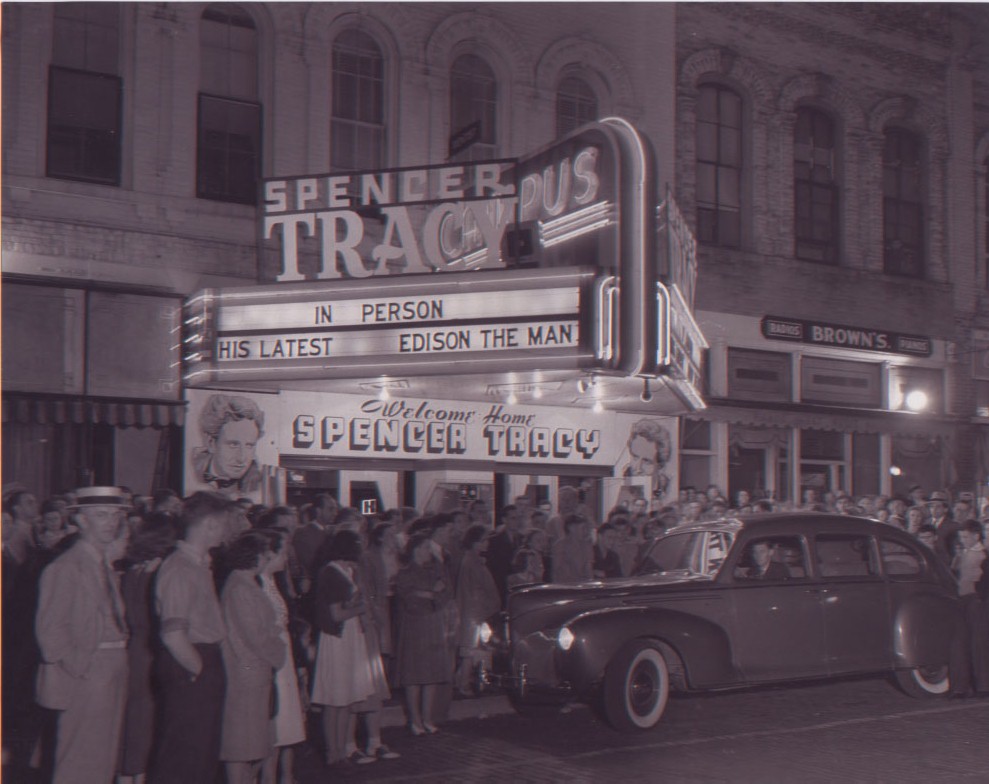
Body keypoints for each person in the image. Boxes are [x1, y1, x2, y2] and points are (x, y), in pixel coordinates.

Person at [35, 486, 131, 784]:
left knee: (104, 757)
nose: (110, 522)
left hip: (115, 663)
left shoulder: (102, 563)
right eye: (101, 515)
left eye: (115, 515)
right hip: (89, 670)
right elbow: (50, 633)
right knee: (79, 758)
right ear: (80, 521)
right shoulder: (66, 567)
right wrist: (83, 668)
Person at [151, 491, 238, 784]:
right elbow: (173, 634)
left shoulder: (198, 565)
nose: (228, 530)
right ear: (211, 524)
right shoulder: (180, 568)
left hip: (200, 660)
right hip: (192, 663)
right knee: (185, 754)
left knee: (202, 754)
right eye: (226, 523)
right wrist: (199, 670)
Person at [311, 531, 391, 768]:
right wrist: (361, 608)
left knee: (345, 698)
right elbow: (336, 614)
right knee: (335, 698)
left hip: (350, 636)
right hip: (337, 639)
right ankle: (332, 751)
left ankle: (341, 752)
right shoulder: (331, 573)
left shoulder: (347, 571)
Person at [218, 530, 286, 784]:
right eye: (265, 555)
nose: (267, 560)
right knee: (240, 745)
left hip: (251, 672)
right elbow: (255, 635)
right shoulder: (240, 588)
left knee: (249, 742)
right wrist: (278, 651)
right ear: (255, 557)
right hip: (246, 672)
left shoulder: (244, 584)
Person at [118, 514, 177, 784]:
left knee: (130, 726)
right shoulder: (161, 573)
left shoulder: (132, 571)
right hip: (152, 654)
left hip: (132, 654)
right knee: (147, 727)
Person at [257, 530, 307, 784]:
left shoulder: (276, 582)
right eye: (283, 551)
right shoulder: (258, 584)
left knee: (286, 725)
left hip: (285, 655)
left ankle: (285, 777)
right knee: (273, 724)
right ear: (269, 554)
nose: (287, 557)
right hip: (274, 657)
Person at [393, 532, 453, 736]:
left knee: (431, 675)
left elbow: (444, 594)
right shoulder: (405, 573)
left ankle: (427, 718)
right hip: (415, 627)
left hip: (433, 624)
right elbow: (411, 602)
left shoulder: (434, 570)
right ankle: (414, 719)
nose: (430, 552)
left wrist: (427, 594)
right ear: (417, 550)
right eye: (427, 547)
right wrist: (430, 592)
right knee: (414, 676)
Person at [190, 393, 266, 498]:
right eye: (233, 445)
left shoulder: (256, 483)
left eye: (249, 445)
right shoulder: (191, 469)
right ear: (211, 443)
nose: (241, 458)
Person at [454, 526, 501, 695]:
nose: (486, 543)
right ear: (475, 542)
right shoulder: (472, 562)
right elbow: (473, 590)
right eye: (483, 540)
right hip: (475, 612)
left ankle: (462, 680)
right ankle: (463, 684)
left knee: (471, 649)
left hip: (476, 611)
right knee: (470, 650)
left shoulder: (474, 561)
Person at [485, 505, 525, 605]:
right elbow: (493, 568)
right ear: (504, 519)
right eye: (513, 518)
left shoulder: (523, 539)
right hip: (501, 589)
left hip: (520, 588)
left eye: (519, 518)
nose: (517, 521)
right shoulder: (493, 541)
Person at [550, 514, 594, 583]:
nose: (585, 531)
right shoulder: (560, 545)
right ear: (571, 528)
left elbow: (588, 569)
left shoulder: (586, 546)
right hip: (564, 586)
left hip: (583, 585)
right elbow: (556, 570)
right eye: (582, 528)